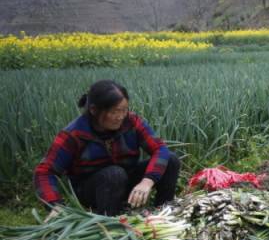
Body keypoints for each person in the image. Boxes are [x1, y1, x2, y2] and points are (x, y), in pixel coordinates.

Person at [34, 79, 180, 216]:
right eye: (114, 112)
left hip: (126, 180)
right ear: (93, 110)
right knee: (114, 174)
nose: (120, 116)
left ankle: (163, 212)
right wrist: (55, 205)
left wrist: (147, 180)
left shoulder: (131, 122)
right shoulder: (74, 134)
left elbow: (160, 148)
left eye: (124, 110)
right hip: (93, 189)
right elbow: (45, 172)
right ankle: (111, 220)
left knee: (170, 160)